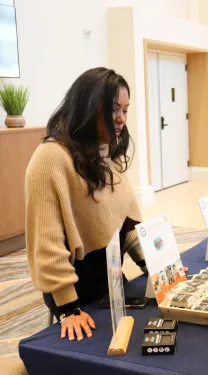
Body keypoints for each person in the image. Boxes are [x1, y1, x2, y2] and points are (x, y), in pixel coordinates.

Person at [25, 67, 148, 342]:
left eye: (126, 110)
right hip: (73, 288)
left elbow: (125, 225)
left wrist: (152, 264)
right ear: (90, 106)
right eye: (114, 109)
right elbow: (47, 245)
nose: (121, 119)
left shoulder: (107, 152)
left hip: (111, 277)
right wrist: (69, 308)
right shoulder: (50, 158)